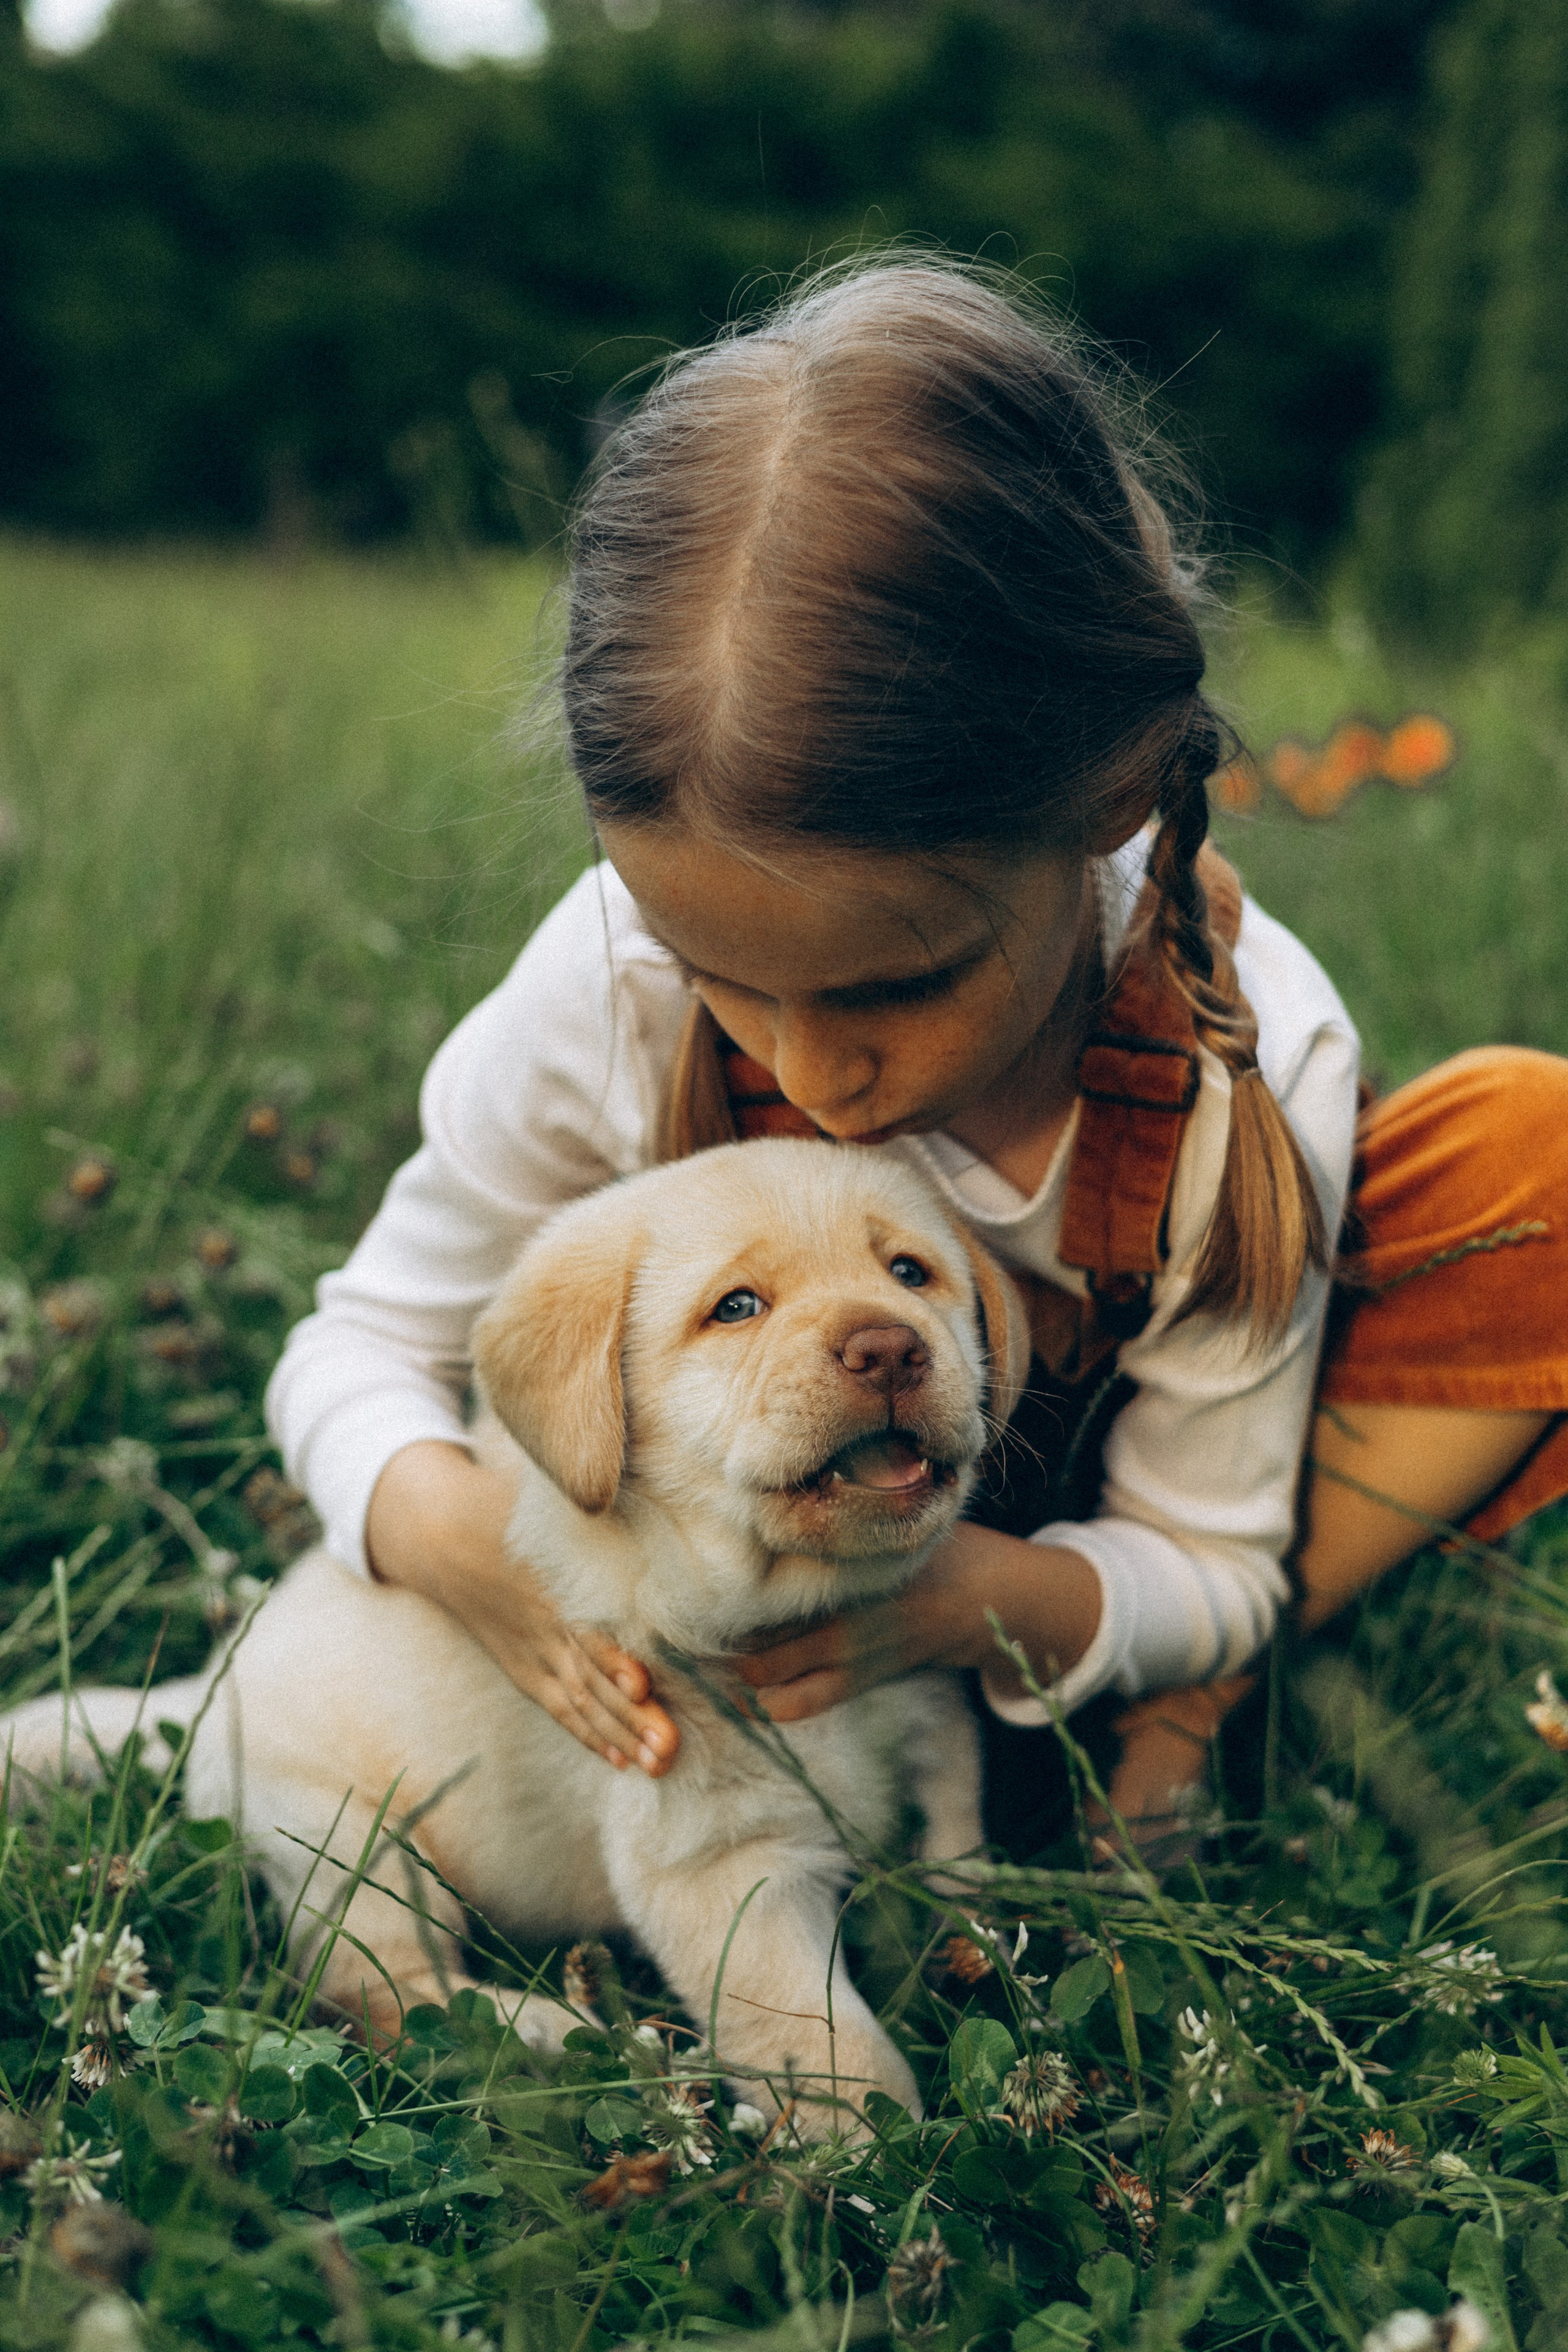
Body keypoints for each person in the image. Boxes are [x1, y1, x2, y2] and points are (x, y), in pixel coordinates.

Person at [267, 260, 1568, 1859]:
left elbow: (1211, 1553)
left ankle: (1160, 1720)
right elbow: (354, 1350)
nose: (812, 1072)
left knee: (1539, 1159)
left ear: (1108, 797)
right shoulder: (608, 985)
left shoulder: (1252, 1054)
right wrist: (447, 1532)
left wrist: (975, 1602)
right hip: (756, 1560)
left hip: (1067, 1551)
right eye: (724, 981)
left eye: (896, 987)